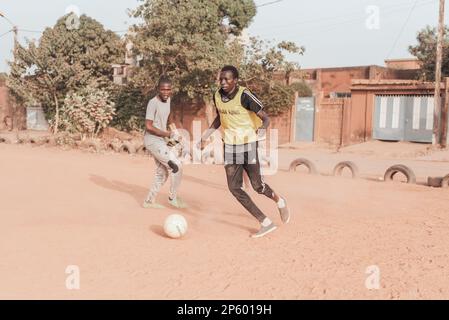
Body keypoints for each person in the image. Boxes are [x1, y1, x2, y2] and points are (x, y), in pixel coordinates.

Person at [199, 66, 290, 238]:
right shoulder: (217, 95)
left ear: (236, 80)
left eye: (227, 79)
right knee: (234, 188)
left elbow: (265, 117)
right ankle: (265, 222)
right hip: (230, 147)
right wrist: (207, 134)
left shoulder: (245, 95)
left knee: (258, 186)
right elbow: (220, 117)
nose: (223, 82)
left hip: (248, 144)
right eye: (221, 79)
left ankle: (280, 201)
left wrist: (263, 128)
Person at [143, 76, 187, 210]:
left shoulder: (168, 100)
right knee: (176, 166)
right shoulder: (153, 103)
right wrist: (168, 134)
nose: (165, 92)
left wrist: (174, 133)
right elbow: (149, 126)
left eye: (168, 90)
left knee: (162, 172)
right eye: (163, 89)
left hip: (161, 140)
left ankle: (149, 201)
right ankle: (172, 198)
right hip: (152, 141)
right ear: (158, 89)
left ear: (171, 90)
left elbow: (166, 120)